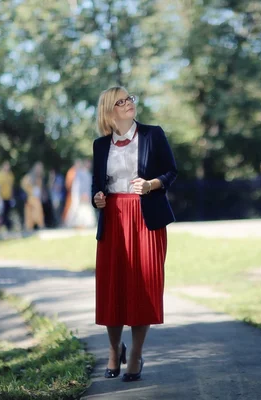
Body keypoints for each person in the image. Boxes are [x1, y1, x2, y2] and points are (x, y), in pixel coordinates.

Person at [91, 86, 177, 382]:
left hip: (146, 217)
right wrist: (97, 198)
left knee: (143, 288)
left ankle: (137, 354)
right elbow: (96, 185)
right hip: (113, 218)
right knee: (111, 286)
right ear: (109, 111)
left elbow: (171, 171)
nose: (128, 104)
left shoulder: (153, 134)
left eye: (130, 99)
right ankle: (115, 350)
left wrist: (153, 184)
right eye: (121, 101)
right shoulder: (100, 145)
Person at [66, 160, 96, 228]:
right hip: (78, 194)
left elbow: (89, 186)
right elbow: (79, 185)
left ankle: (88, 223)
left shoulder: (88, 174)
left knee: (85, 209)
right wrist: (82, 194)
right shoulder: (80, 173)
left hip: (85, 194)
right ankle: (69, 223)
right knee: (75, 208)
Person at [21, 162, 46, 231]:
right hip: (30, 197)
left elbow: (40, 188)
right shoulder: (29, 177)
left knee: (37, 211)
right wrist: (30, 191)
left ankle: (39, 225)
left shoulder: (39, 178)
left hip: (36, 198)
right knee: (30, 212)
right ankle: (30, 226)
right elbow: (24, 185)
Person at [0, 161, 15, 232]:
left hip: (8, 197)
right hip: (2, 197)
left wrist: (12, 197)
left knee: (8, 212)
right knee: (2, 213)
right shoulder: (1, 175)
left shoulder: (10, 175)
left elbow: (11, 187)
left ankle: (8, 226)